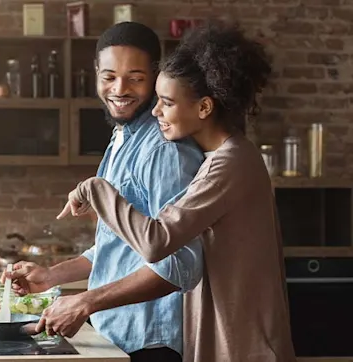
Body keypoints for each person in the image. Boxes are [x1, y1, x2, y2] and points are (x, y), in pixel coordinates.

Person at [57, 20, 297, 362]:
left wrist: (96, 189)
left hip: (242, 342)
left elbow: (157, 242)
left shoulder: (229, 164)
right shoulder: (225, 157)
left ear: (203, 108)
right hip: (222, 332)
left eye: (166, 102)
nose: (156, 112)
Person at [3, 22, 205, 362]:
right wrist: (52, 275)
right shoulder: (123, 136)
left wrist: (86, 300)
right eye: (109, 76)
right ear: (96, 74)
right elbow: (121, 245)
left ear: (156, 77)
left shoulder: (163, 149)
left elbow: (179, 265)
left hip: (151, 340)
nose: (120, 89)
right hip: (117, 333)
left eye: (135, 77)